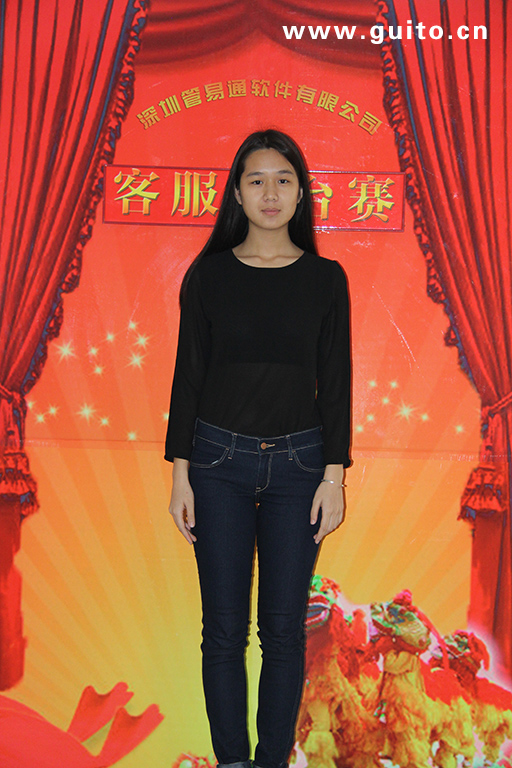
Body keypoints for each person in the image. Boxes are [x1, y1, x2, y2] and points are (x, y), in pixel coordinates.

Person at [165, 129, 351, 768]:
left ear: (300, 193)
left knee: (283, 633)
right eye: (256, 180)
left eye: (283, 180)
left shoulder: (326, 279)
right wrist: (181, 475)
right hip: (216, 467)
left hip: (301, 469)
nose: (270, 193)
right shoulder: (209, 276)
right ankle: (233, 762)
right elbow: (188, 376)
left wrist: (334, 477)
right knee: (223, 632)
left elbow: (336, 380)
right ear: (237, 195)